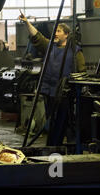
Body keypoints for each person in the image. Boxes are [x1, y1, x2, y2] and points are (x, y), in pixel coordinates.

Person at [18, 11, 86, 146]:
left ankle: (56, 145)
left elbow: (81, 71)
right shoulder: (49, 46)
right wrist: (26, 22)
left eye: (59, 31)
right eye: (55, 30)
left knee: (62, 120)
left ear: (66, 34)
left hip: (64, 92)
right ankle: (52, 144)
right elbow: (36, 36)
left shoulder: (75, 51)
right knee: (52, 119)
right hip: (49, 91)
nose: (55, 33)